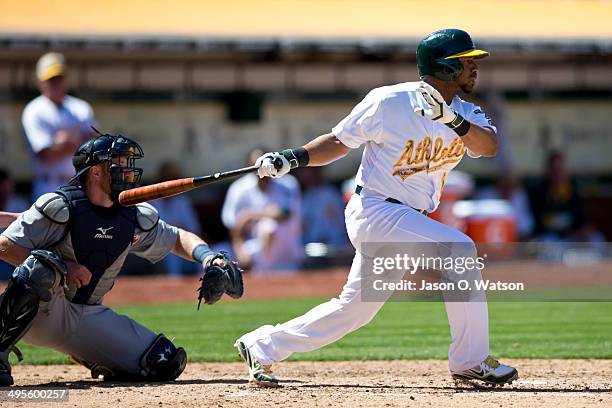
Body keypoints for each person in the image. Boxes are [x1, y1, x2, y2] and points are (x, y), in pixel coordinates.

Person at [233, 29, 518, 387]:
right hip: (376, 210)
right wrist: (291, 158)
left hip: (408, 220)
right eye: (466, 62)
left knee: (354, 311)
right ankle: (470, 362)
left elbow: (489, 146)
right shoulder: (389, 101)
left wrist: (451, 120)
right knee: (460, 250)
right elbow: (339, 141)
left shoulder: (466, 112)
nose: (474, 67)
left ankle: (262, 345)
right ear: (444, 67)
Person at [0, 132, 243, 386]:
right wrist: (65, 267)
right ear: (94, 171)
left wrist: (210, 259)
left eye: (128, 164)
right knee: (42, 268)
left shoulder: (133, 216)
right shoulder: (59, 207)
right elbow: (4, 245)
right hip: (43, 311)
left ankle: (93, 355)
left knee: (163, 362)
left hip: (88, 315)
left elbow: (177, 239)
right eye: (117, 163)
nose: (127, 170)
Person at [22, 52, 96, 200]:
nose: (56, 83)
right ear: (40, 81)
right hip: (48, 185)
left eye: (59, 78)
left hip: (79, 184)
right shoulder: (34, 110)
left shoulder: (81, 108)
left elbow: (94, 144)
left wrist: (64, 141)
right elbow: (46, 155)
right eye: (51, 79)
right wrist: (79, 140)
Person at [221, 148, 303, 273]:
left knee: (268, 227)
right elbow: (233, 226)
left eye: (265, 165)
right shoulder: (239, 188)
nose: (262, 171)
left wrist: (250, 215)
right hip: (251, 244)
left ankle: (263, 272)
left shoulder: (287, 184)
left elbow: (286, 213)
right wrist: (240, 250)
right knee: (216, 254)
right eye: (257, 167)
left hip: (285, 246)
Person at [153, 162, 204, 276]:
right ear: (161, 179)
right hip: (156, 247)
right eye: (167, 179)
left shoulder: (182, 202)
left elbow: (195, 231)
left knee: (201, 251)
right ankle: (173, 286)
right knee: (169, 253)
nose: (170, 183)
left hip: (180, 244)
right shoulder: (150, 201)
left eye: (174, 179)